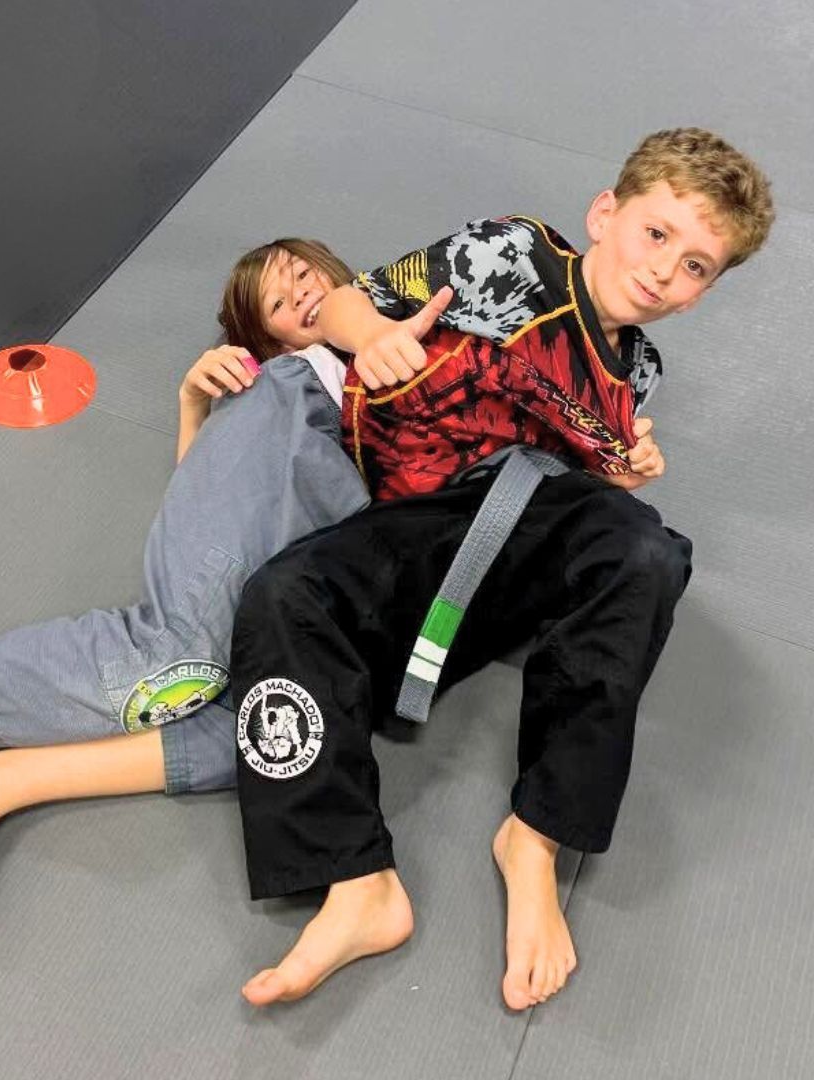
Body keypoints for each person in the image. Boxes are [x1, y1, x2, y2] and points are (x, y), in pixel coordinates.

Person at [229, 129, 775, 1011]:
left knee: (644, 547)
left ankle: (537, 837)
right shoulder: (509, 252)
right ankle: (355, 881)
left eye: (698, 266)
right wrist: (374, 340)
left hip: (518, 534)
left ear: (707, 290)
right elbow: (339, 306)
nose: (666, 271)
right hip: (416, 523)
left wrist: (619, 472)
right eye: (657, 234)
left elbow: (575, 508)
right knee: (283, 597)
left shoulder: (636, 374)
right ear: (607, 213)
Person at [0, 238, 370, 934]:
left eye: (303, 272)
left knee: (272, 726)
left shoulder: (368, 330)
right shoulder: (295, 379)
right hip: (280, 441)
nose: (299, 291)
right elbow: (209, 515)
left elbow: (208, 510)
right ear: (265, 341)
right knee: (182, 650)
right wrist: (194, 403)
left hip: (308, 535)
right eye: (277, 300)